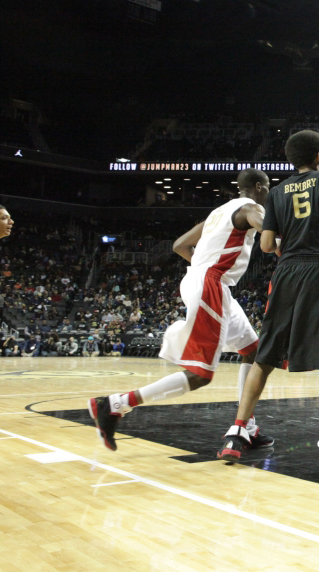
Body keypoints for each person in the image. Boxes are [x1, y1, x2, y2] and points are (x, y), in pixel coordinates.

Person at [215, 134, 319, 474]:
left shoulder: (275, 193)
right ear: (318, 156)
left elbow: (267, 243)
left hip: (285, 274)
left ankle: (237, 433)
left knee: (266, 355)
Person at [90, 168, 273, 454]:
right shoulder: (251, 207)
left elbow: (179, 245)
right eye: (268, 187)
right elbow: (266, 230)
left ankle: (246, 426)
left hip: (206, 282)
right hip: (210, 285)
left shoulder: (216, 213)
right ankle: (115, 404)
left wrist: (203, 267)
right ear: (260, 187)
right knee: (201, 374)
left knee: (252, 349)